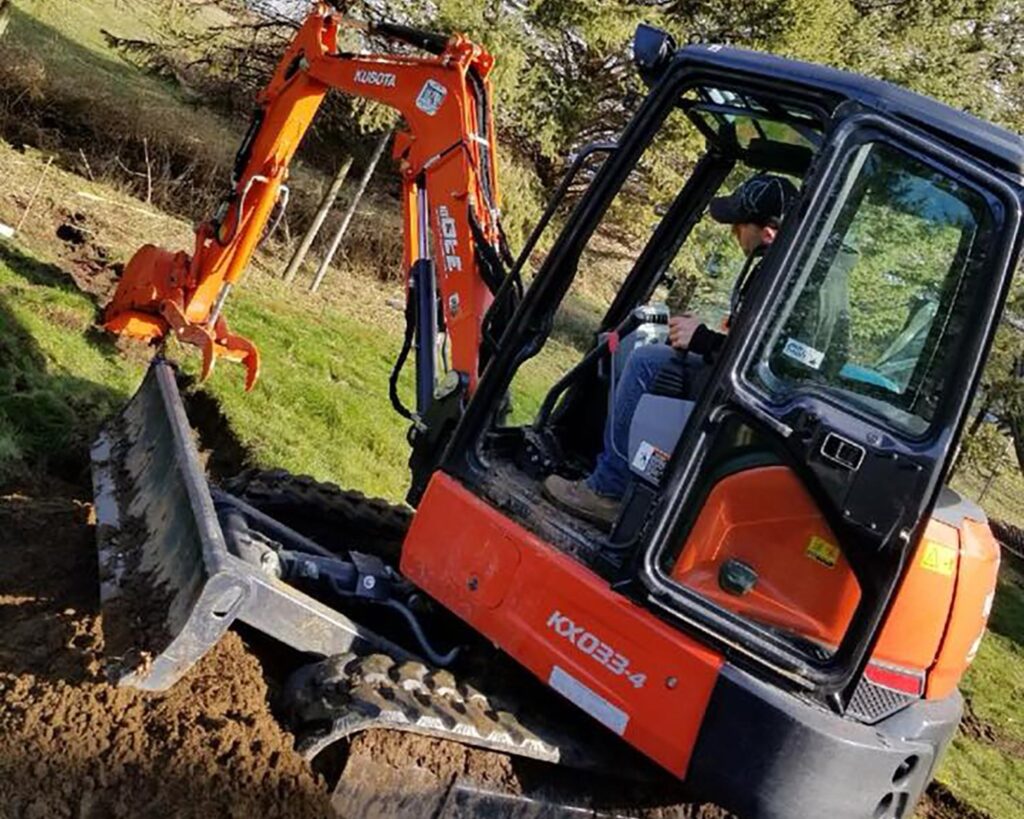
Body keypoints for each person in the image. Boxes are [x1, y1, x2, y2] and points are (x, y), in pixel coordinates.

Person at [543, 173, 799, 528]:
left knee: (645, 361)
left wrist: (704, 341)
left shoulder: (783, 278)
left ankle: (609, 489)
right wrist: (702, 336)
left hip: (742, 405)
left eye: (739, 227)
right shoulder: (794, 275)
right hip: (742, 394)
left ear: (767, 233)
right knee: (637, 345)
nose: (735, 235)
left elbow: (771, 363)